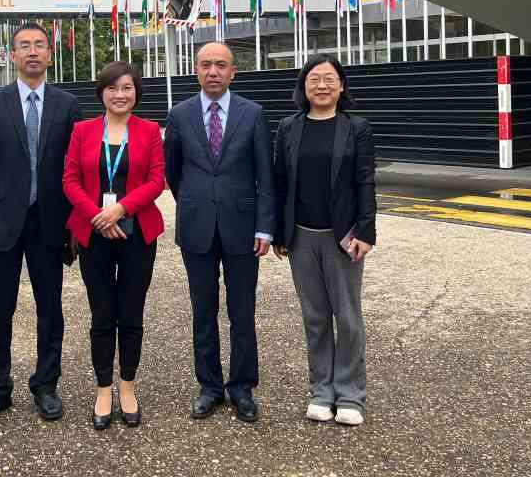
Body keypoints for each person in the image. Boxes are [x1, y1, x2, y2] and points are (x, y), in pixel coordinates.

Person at [0, 23, 82, 427]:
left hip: (50, 223)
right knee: (0, 308)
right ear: (12, 55)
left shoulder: (68, 106)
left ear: (50, 54)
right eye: (24, 46)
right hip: (2, 225)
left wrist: (75, 225)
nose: (32, 52)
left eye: (39, 45)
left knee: (51, 308)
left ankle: (46, 385)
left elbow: (77, 169)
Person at [164, 42, 275, 423]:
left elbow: (265, 175)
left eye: (221, 65)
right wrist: (194, 202)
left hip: (242, 227)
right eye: (206, 65)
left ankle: (242, 387)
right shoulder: (179, 115)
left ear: (233, 72)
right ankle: (209, 386)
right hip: (197, 227)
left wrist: (265, 226)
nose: (213, 71)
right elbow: (173, 171)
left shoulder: (253, 114)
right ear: (196, 70)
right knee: (203, 310)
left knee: (242, 311)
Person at [272, 54, 376, 427]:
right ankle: (321, 391)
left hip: (343, 237)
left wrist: (366, 231)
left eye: (329, 78)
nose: (322, 85)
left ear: (342, 85)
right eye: (314, 78)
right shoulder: (289, 127)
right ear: (303, 86)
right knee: (315, 317)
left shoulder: (356, 128)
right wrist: (280, 233)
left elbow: (365, 180)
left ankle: (350, 395)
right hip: (301, 236)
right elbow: (280, 182)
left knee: (347, 318)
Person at [62, 61, 166, 430]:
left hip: (138, 234)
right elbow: (70, 180)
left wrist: (120, 209)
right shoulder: (83, 131)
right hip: (94, 235)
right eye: (112, 88)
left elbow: (156, 180)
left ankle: (128, 386)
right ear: (101, 93)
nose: (119, 95)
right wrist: (98, 216)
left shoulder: (150, 130)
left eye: (126, 88)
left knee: (132, 314)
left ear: (136, 92)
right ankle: (103, 388)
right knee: (103, 313)